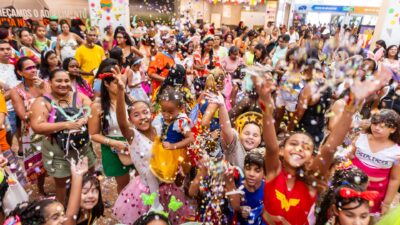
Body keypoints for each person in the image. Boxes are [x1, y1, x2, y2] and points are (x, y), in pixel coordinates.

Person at [254, 67, 384, 225]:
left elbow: (329, 148)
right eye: (293, 143)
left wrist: (351, 107)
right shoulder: (274, 172)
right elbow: (271, 147)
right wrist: (267, 106)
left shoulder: (312, 182)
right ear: (282, 151)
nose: (299, 148)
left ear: (312, 158)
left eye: (306, 147)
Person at [112, 70, 192, 224]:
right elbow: (122, 122)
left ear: (152, 113)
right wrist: (121, 91)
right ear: (131, 119)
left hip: (168, 186)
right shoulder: (133, 136)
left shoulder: (159, 126)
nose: (143, 117)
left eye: (145, 112)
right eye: (137, 115)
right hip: (146, 192)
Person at [29, 69, 96, 203]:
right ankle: (64, 214)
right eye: (58, 81)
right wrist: (66, 125)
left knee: (88, 181)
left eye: (66, 81)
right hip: (58, 154)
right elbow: (37, 126)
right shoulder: (42, 101)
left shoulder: (79, 97)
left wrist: (84, 120)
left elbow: (92, 111)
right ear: (50, 82)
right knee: (62, 187)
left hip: (83, 150)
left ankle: (87, 210)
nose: (63, 84)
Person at [88, 67, 133, 193]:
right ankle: (124, 210)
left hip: (133, 144)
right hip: (113, 148)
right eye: (116, 82)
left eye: (123, 81)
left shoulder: (131, 102)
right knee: (124, 185)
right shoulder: (97, 106)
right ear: (106, 84)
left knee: (141, 182)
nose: (121, 85)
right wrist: (114, 143)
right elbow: (93, 134)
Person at [11, 57, 49, 194]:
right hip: (32, 132)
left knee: (55, 157)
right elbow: (22, 115)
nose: (33, 70)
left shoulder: (45, 84)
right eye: (28, 68)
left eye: (34, 67)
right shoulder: (16, 91)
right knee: (38, 161)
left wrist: (44, 88)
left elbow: (56, 103)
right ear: (20, 73)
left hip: (50, 126)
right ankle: (41, 189)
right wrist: (40, 110)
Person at [351, 109, 400, 214]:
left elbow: (395, 179)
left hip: (376, 192)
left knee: (366, 217)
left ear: (393, 129)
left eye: (382, 126)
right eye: (374, 124)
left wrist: (386, 204)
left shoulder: (397, 152)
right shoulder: (360, 138)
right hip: (351, 184)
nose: (377, 128)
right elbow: (348, 158)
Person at [64, 157, 104, 225]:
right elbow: (70, 217)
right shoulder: (65, 219)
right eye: (85, 192)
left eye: (94, 191)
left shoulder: (94, 209)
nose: (91, 196)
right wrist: (77, 176)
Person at [235, 151, 265, 225]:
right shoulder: (237, 188)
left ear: (264, 173)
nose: (251, 174)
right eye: (248, 169)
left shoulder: (268, 189)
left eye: (257, 171)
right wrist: (239, 209)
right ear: (244, 168)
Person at [0, 40, 21, 144]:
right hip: (6, 110)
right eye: (2, 49)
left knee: (20, 134)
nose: (6, 51)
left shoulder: (15, 67)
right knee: (8, 136)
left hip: (19, 106)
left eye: (8, 49)